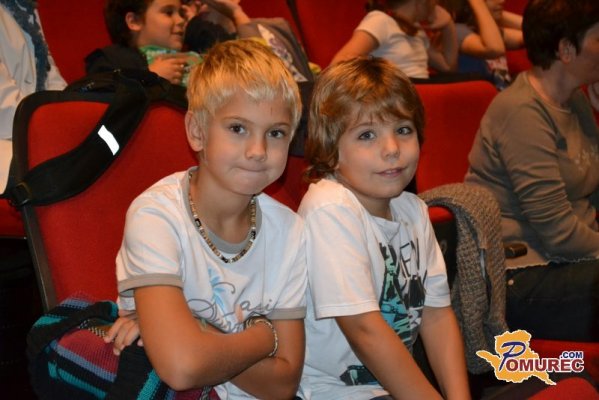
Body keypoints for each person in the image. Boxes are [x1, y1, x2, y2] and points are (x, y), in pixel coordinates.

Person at [108, 39, 307, 399]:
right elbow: (182, 367)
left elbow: (284, 384)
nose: (258, 151)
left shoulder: (290, 230)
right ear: (197, 131)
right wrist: (266, 336)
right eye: (238, 128)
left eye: (275, 133)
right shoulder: (157, 215)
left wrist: (197, 333)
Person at [297, 56, 470, 399]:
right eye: (367, 135)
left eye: (403, 130)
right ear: (331, 151)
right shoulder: (329, 208)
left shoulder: (413, 210)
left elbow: (436, 317)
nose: (391, 149)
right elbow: (364, 330)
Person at [465, 0, 599, 341]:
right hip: (526, 273)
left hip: (574, 262)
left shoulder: (575, 100)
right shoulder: (521, 111)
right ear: (566, 50)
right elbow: (559, 233)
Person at [0, 0, 66, 193]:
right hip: (9, 138)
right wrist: (49, 129)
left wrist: (69, 115)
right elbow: (5, 106)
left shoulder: (24, 7)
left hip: (29, 128)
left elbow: (50, 75)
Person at [182, 0, 316, 83]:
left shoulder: (276, 26)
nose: (199, 3)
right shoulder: (202, 41)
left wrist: (237, 14)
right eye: (189, 1)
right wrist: (236, 13)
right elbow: (265, 78)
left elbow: (307, 71)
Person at [331, 0, 458, 80]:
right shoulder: (380, 20)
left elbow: (448, 68)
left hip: (421, 94)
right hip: (399, 96)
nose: (436, 4)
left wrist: (448, 25)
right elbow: (339, 63)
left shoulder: (418, 31)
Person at [86, 0, 200, 86]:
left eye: (181, 14)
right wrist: (148, 76)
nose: (181, 20)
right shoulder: (109, 60)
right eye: (169, 12)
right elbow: (105, 95)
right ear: (134, 21)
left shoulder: (193, 57)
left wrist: (196, 25)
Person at [442, 0, 524, 90]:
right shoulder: (457, 31)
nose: (502, 1)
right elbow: (495, 49)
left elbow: (533, 33)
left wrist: (497, 12)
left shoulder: (486, 32)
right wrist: (479, 5)